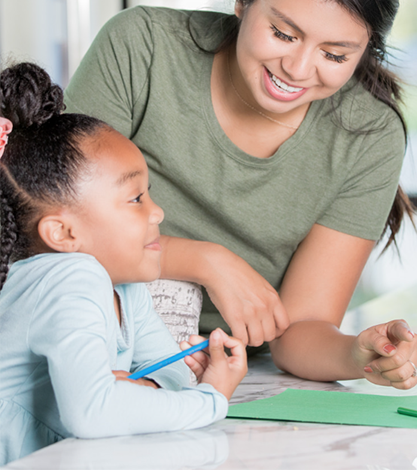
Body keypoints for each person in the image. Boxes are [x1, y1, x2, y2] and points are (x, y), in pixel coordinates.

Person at [64, 0, 417, 389]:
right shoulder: (140, 49)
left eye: (335, 55)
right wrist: (207, 261)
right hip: (89, 346)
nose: (297, 70)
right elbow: (58, 224)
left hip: (226, 378)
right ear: (242, 0)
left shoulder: (369, 135)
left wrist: (358, 355)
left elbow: (297, 333)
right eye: (282, 32)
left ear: (364, 53)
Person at [0, 63, 247, 466]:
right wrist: (211, 398)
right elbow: (93, 413)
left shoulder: (123, 287)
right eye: (136, 199)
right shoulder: (69, 277)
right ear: (62, 234)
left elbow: (169, 374)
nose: (158, 213)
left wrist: (140, 386)